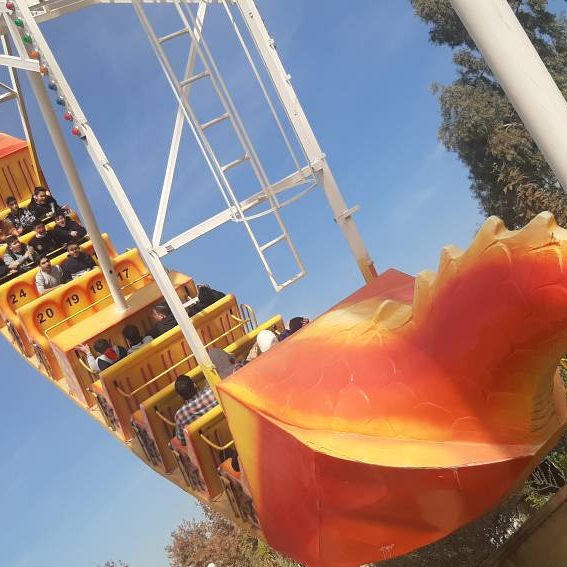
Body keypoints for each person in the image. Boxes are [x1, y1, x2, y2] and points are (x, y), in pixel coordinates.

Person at [174, 375, 218, 445]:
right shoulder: (213, 393)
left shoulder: (180, 415)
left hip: (204, 447)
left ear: (180, 396)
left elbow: (183, 441)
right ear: (194, 385)